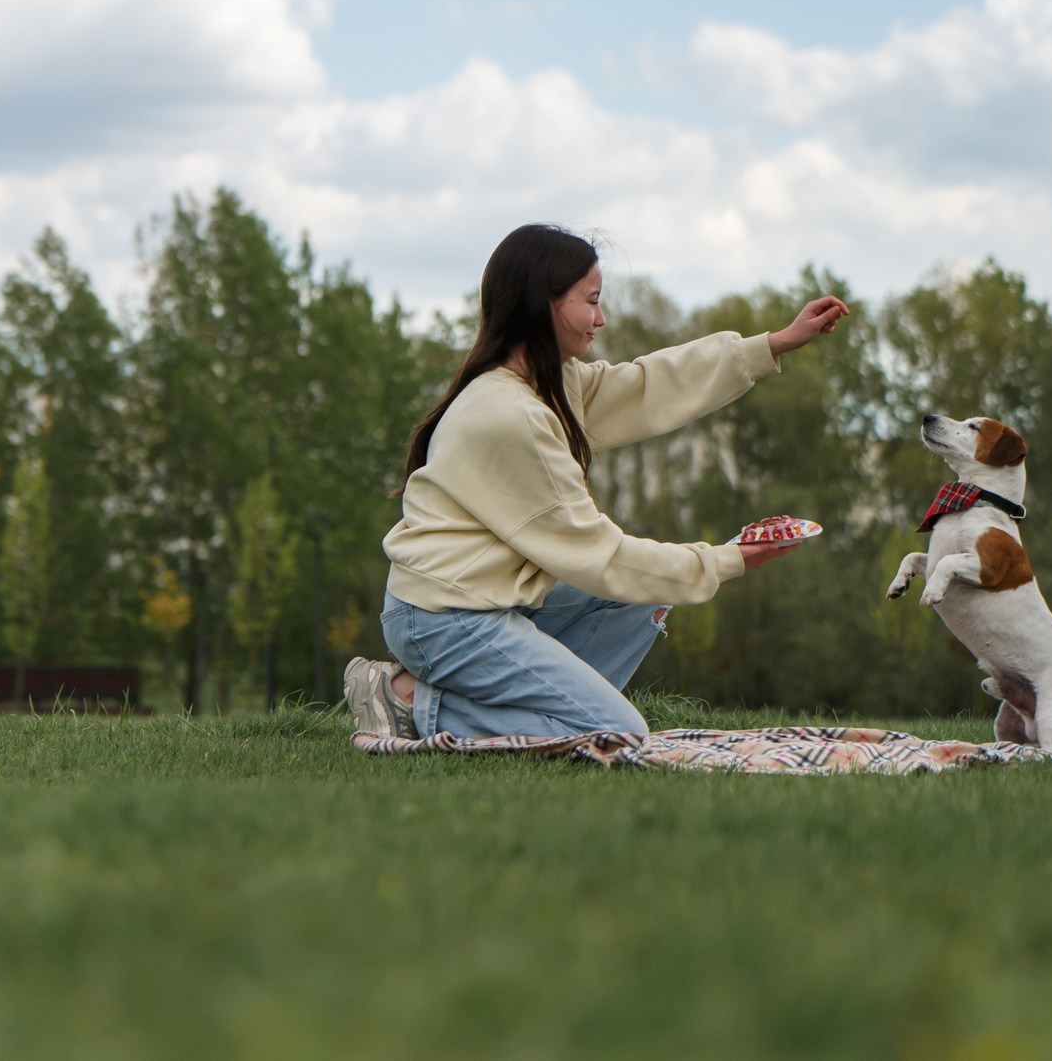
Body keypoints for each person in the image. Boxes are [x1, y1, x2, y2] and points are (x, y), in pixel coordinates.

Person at [346, 224, 848, 742]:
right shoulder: (510, 413)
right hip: (441, 619)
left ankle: (527, 711)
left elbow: (646, 386)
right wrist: (725, 560)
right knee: (616, 729)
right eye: (591, 300)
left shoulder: (549, 380)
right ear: (544, 302)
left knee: (639, 600)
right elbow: (598, 554)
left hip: (484, 599)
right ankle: (405, 700)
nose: (601, 318)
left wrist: (771, 346)